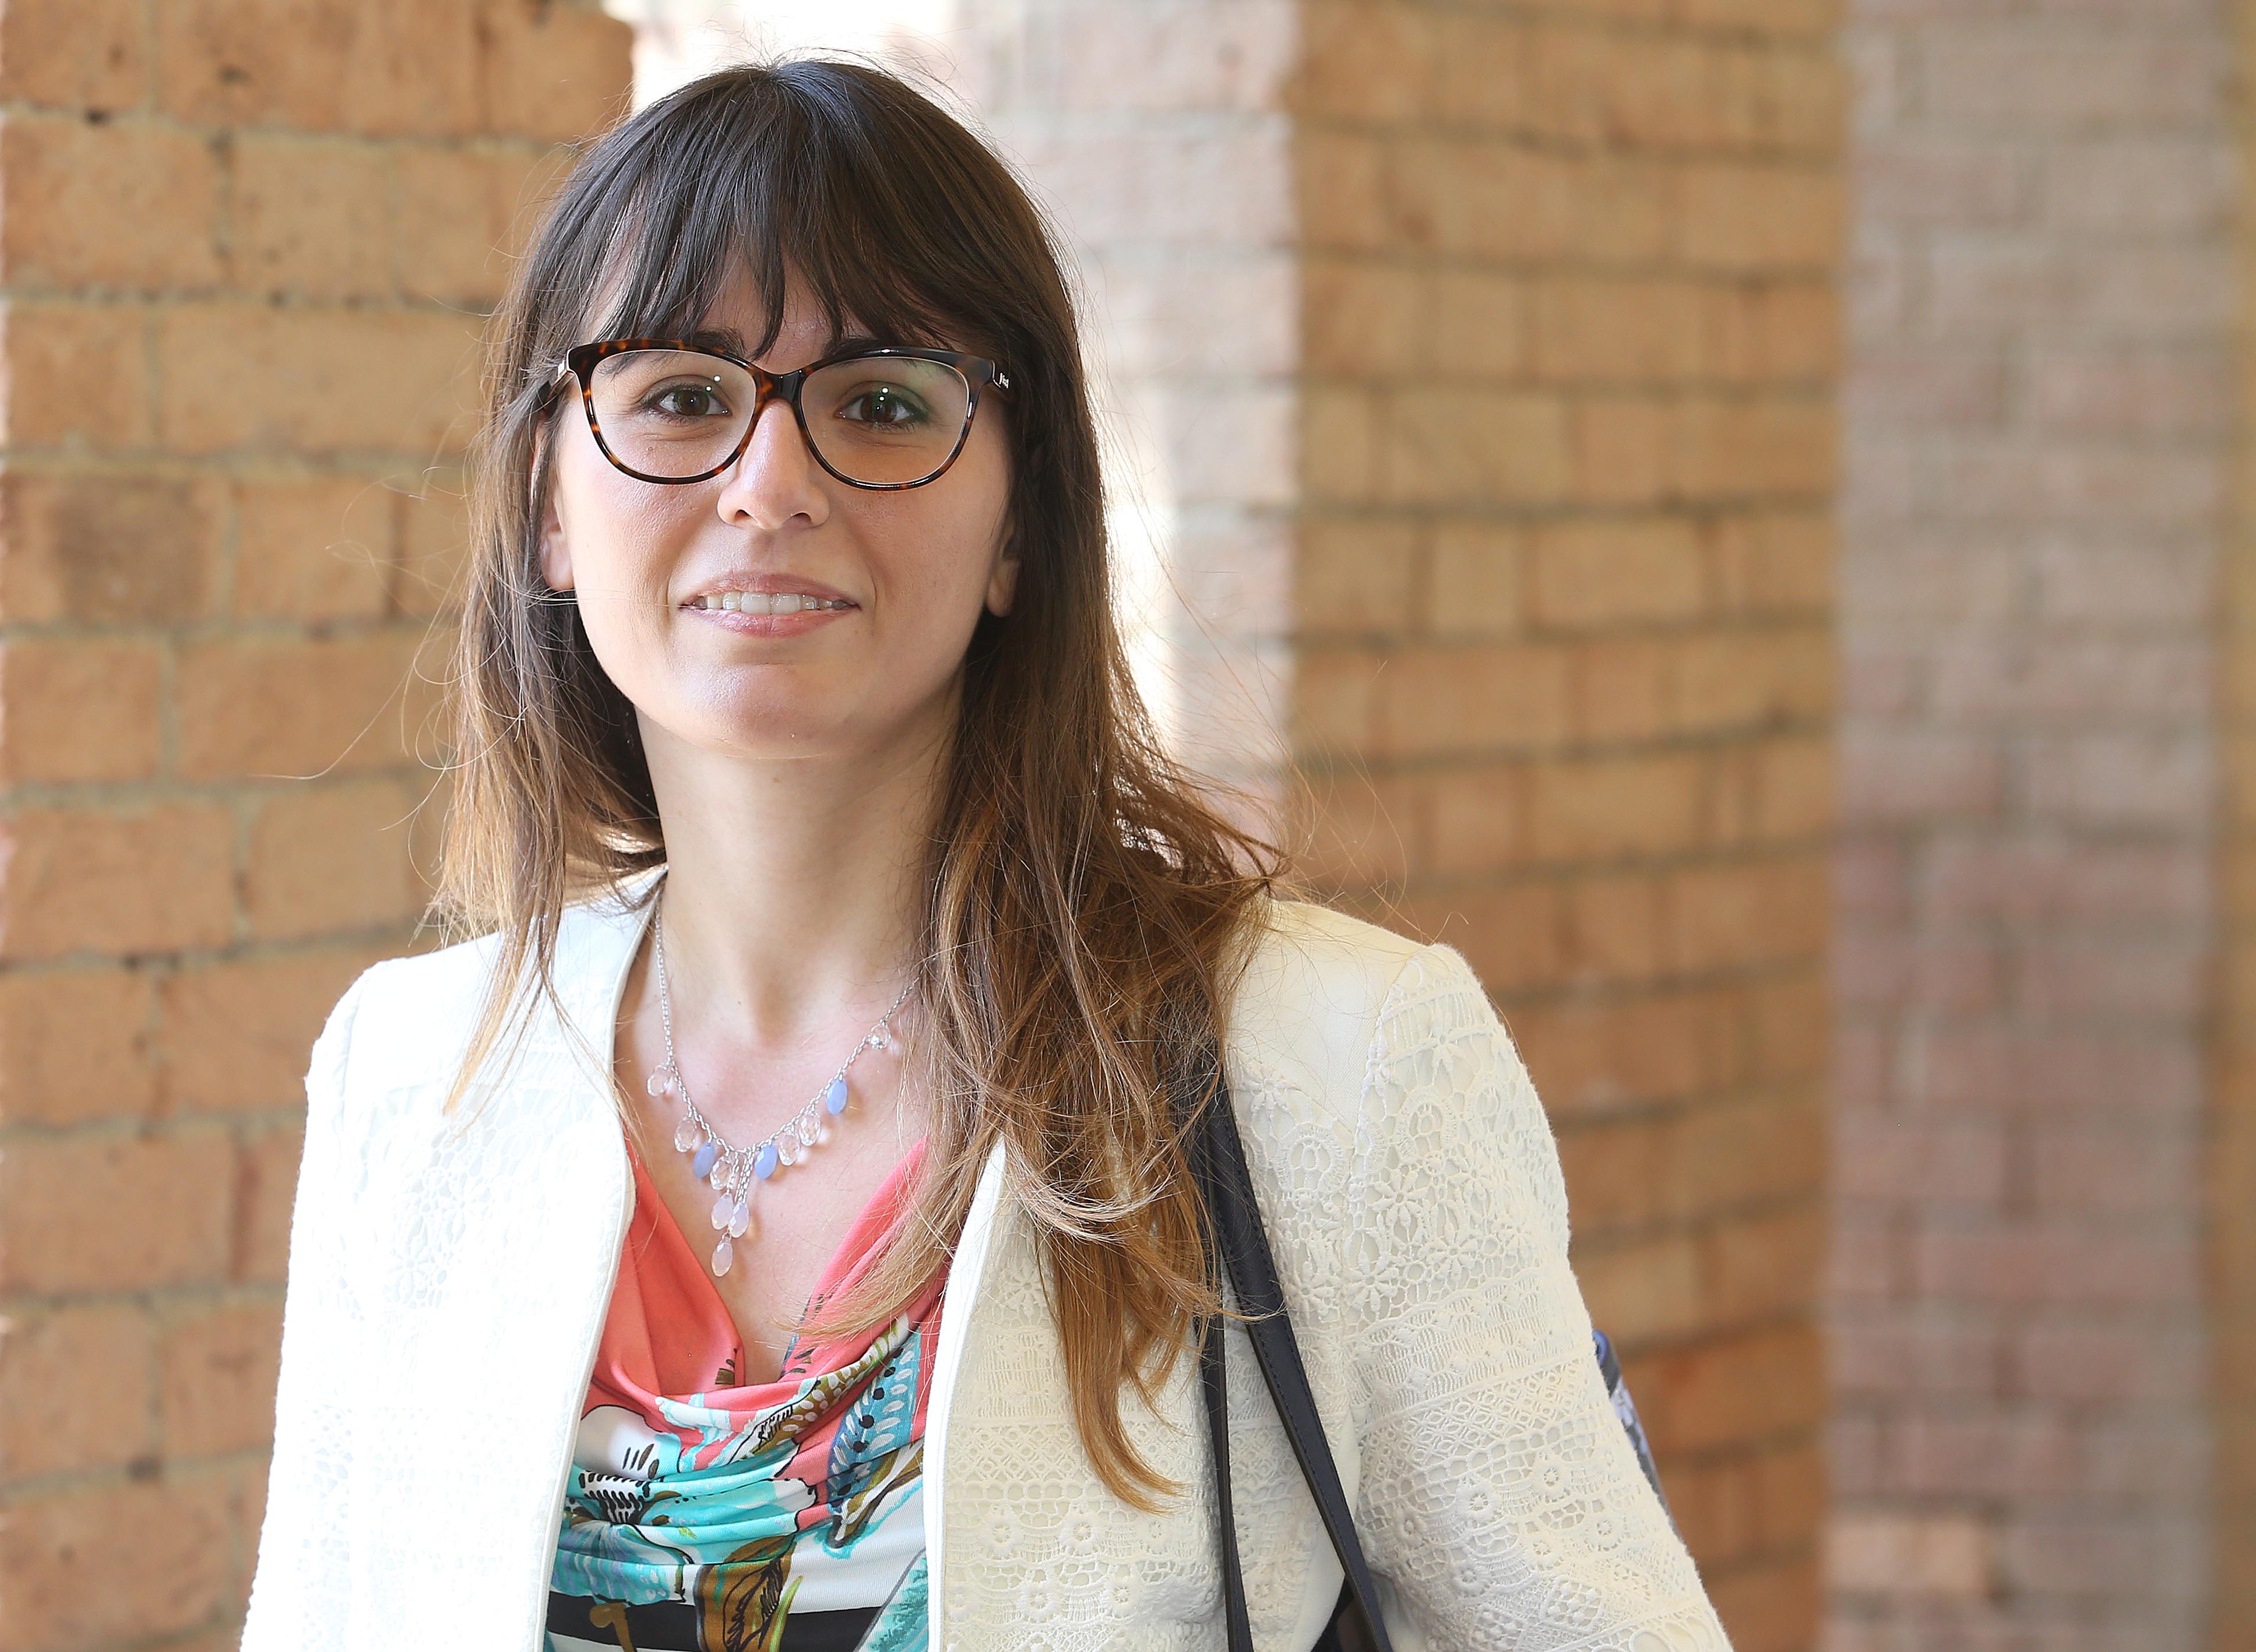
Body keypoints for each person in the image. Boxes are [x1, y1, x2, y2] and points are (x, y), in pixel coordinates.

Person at [239, 59, 1729, 1652]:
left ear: (1021, 522)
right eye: (678, 395)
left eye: (882, 402)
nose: (768, 487)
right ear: (548, 498)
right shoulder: (413, 1079)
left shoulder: (1334, 1065)